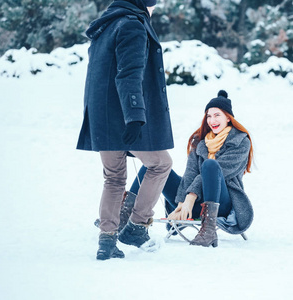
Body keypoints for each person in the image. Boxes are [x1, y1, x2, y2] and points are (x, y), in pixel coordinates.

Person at [76, 0, 174, 260]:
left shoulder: (106, 25)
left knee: (114, 179)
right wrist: (134, 117)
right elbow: (129, 74)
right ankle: (137, 226)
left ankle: (106, 242)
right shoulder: (132, 25)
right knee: (161, 163)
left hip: (102, 117)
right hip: (123, 116)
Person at [119, 90, 254, 247]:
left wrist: (190, 197)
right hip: (190, 205)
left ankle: (209, 230)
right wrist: (182, 203)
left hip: (221, 204)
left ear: (228, 118)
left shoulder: (240, 142)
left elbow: (221, 172)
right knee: (155, 166)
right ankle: (123, 217)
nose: (212, 120)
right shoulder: (200, 142)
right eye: (209, 116)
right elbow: (190, 174)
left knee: (211, 165)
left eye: (217, 115)